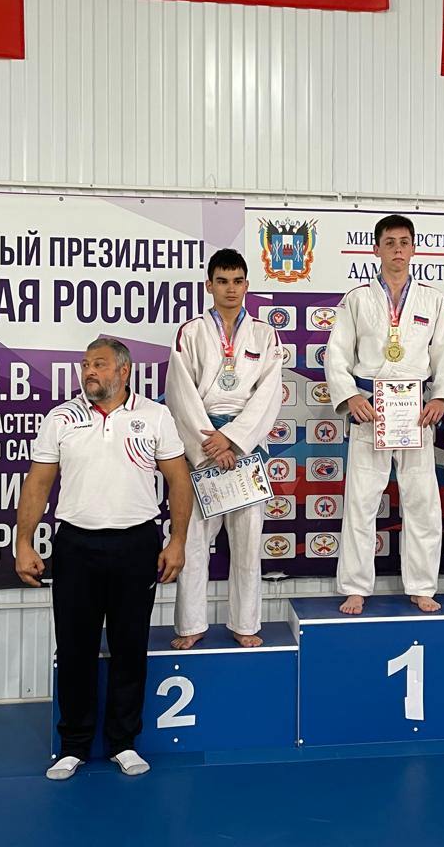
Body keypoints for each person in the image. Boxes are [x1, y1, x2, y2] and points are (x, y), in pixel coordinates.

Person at [15, 338, 192, 781]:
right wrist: (24, 542)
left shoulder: (155, 415)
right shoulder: (61, 418)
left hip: (137, 544)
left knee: (130, 646)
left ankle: (123, 743)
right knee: (75, 647)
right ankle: (73, 745)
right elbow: (38, 484)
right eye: (85, 364)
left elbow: (179, 480)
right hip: (76, 545)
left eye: (98, 364)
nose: (89, 371)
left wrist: (177, 541)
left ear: (124, 371)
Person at [325, 214, 444, 614]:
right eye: (390, 243)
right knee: (361, 500)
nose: (397, 250)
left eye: (404, 242)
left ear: (413, 249)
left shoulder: (432, 300)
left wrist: (441, 399)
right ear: (376, 249)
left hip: (415, 411)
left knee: (422, 500)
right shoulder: (357, 299)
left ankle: (422, 585)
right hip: (371, 408)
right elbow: (337, 354)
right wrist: (350, 397)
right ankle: (355, 586)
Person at [164, 249, 282, 649]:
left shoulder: (264, 334)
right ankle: (191, 624)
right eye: (222, 281)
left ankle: (245, 623)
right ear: (209, 286)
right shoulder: (191, 332)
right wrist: (211, 445)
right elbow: (180, 393)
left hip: (245, 448)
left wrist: (233, 438)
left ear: (247, 285)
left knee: (248, 542)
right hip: (202, 444)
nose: (230, 289)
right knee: (194, 539)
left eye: (237, 281)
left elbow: (268, 394)